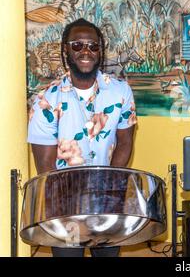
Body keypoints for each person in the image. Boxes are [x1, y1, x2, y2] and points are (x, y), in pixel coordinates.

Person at [27, 18, 137, 256]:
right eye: (77, 45)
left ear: (101, 51)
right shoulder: (46, 100)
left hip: (107, 200)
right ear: (65, 51)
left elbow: (125, 142)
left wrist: (110, 186)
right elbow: (45, 166)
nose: (85, 51)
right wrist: (70, 205)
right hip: (65, 204)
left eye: (93, 46)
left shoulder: (121, 92)